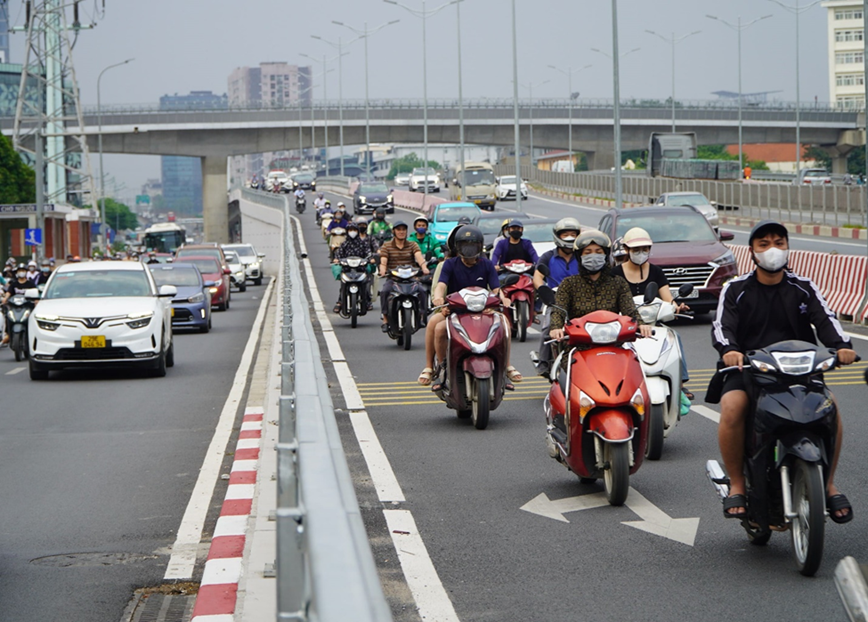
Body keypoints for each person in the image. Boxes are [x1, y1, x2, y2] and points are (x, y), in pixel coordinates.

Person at [711, 220, 856, 521]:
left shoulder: (803, 288)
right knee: (733, 406)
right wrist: (730, 351)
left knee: (832, 410)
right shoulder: (735, 289)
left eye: (779, 242)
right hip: (749, 368)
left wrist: (842, 346)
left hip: (801, 370)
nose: (772, 250)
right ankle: (737, 482)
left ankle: (827, 484)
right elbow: (722, 328)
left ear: (788, 248)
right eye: (764, 244)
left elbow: (827, 321)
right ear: (752, 252)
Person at [417, 225, 522, 388]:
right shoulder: (449, 264)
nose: (469, 249)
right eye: (465, 244)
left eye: (472, 244)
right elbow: (441, 285)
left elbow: (496, 288)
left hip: (484, 310)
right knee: (436, 326)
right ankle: (436, 367)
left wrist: (503, 300)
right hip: (455, 310)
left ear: (479, 246)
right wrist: (438, 298)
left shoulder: (487, 265)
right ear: (458, 247)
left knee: (505, 324)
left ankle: (506, 365)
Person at [611, 227, 694, 403]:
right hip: (625, 324)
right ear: (626, 250)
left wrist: (676, 307)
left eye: (644, 249)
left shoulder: (656, 272)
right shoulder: (615, 274)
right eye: (635, 250)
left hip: (653, 323)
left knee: (674, 337)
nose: (640, 253)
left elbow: (668, 299)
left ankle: (679, 383)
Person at [549, 230, 653, 347]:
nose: (593, 256)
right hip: (579, 345)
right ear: (580, 256)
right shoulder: (569, 284)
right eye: (588, 252)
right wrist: (556, 328)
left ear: (605, 255)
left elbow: (629, 310)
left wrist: (641, 324)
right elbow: (559, 310)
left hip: (613, 343)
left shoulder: (618, 283)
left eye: (598, 252)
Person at [531, 218, 581, 376]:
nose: (569, 237)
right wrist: (543, 289)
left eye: (573, 234)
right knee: (547, 328)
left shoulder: (582, 256)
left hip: (581, 300)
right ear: (558, 236)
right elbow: (537, 276)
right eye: (565, 234)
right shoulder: (547, 257)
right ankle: (544, 364)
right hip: (555, 300)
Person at [378, 221, 430, 332]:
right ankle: (385, 319)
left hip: (411, 278)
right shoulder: (387, 246)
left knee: (422, 291)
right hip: (393, 278)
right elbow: (383, 261)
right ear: (394, 232)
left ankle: (421, 316)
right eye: (398, 229)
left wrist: (424, 267)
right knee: (384, 292)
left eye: (403, 229)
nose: (401, 232)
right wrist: (382, 270)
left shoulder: (412, 244)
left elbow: (419, 258)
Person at [331, 219, 379, 313]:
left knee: (366, 282)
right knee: (343, 283)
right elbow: (338, 255)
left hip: (360, 269)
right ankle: (340, 301)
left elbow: (369, 254)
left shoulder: (363, 244)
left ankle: (367, 301)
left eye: (354, 230)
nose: (352, 232)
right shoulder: (344, 244)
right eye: (350, 230)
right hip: (347, 269)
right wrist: (336, 259)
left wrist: (371, 259)